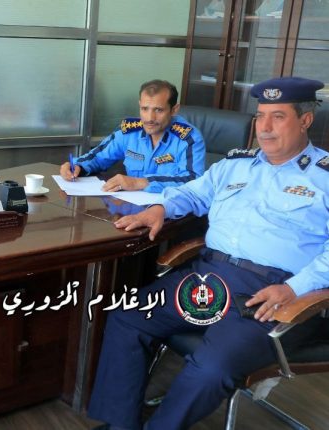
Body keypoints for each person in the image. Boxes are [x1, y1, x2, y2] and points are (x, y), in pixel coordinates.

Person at [87, 76, 328, 429]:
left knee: (212, 367)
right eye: (260, 116)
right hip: (209, 280)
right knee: (129, 316)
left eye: (278, 117)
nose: (264, 127)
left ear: (305, 120)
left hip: (271, 295)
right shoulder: (236, 164)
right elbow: (193, 193)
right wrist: (161, 208)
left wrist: (295, 288)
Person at [60, 80, 206, 193]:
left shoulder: (188, 138)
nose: (149, 118)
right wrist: (77, 166)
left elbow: (194, 180)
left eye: (158, 110)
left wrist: (139, 182)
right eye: (144, 109)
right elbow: (97, 157)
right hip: (132, 207)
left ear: (174, 110)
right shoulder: (130, 132)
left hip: (170, 211)